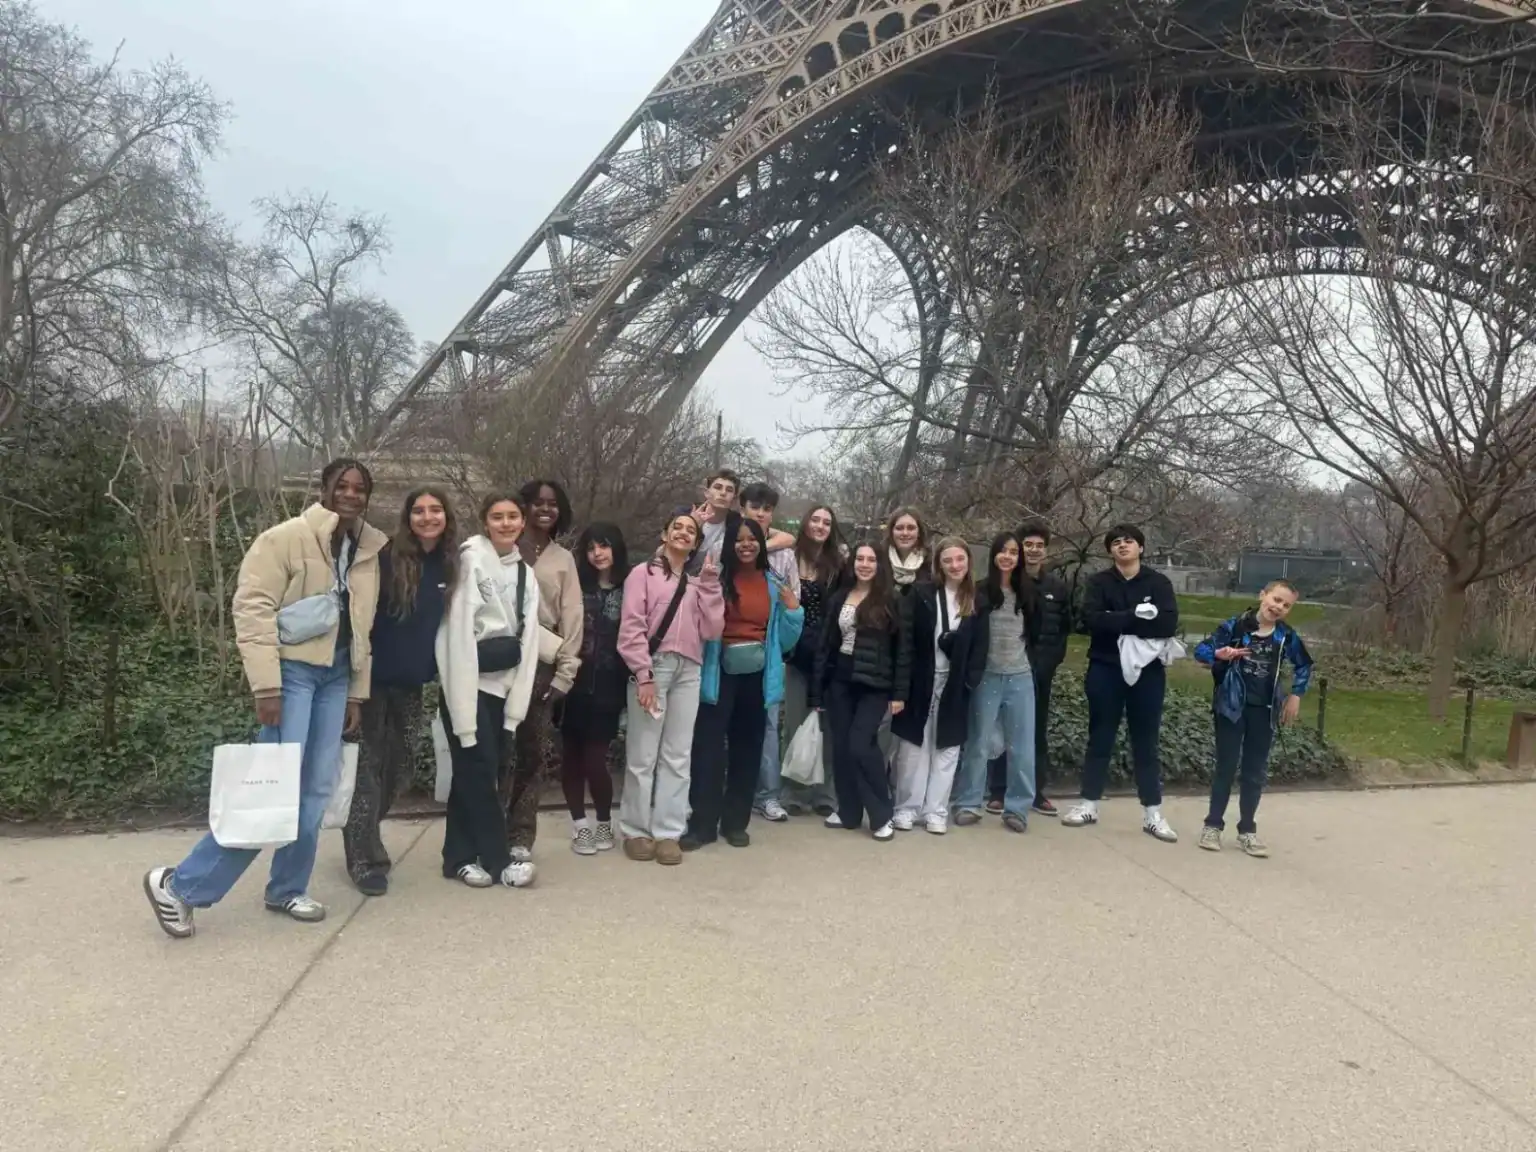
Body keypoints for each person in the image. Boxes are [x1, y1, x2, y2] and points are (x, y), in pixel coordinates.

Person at [144, 460, 386, 937]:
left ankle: (287, 888)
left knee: (316, 792)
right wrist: (266, 685)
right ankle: (180, 886)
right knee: (274, 791)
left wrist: (357, 691)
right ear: (324, 489)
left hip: (336, 677)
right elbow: (252, 609)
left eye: (360, 488)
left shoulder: (368, 550)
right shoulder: (286, 537)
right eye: (343, 486)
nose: (352, 494)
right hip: (292, 674)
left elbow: (364, 627)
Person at [344, 486, 458, 896]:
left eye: (436, 510)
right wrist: (352, 682)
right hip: (373, 680)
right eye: (419, 511)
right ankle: (364, 858)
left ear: (447, 516)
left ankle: (364, 832)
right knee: (369, 770)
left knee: (402, 766)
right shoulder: (388, 558)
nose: (428, 517)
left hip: (413, 682)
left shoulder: (450, 564)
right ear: (408, 518)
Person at [435, 493, 543, 888]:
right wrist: (459, 678)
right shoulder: (470, 559)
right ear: (485, 521)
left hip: (502, 684)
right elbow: (457, 627)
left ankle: (458, 857)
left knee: (478, 770)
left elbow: (528, 633)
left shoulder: (524, 573)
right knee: (478, 771)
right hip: (467, 681)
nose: (506, 523)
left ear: (522, 522)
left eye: (513, 516)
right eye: (497, 517)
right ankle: (498, 860)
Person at [686, 514, 803, 850]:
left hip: (757, 674)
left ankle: (736, 822)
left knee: (747, 749)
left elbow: (785, 639)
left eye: (753, 538)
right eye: (740, 539)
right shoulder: (715, 578)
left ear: (761, 543)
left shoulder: (773, 582)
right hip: (717, 670)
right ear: (729, 544)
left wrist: (794, 611)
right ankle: (702, 824)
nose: (747, 544)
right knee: (708, 749)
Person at [616, 511, 725, 865]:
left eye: (690, 530)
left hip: (688, 671)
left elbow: (712, 630)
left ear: (696, 543)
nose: (682, 533)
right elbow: (631, 626)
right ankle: (635, 829)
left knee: (678, 755)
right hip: (655, 668)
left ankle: (668, 832)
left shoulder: (698, 584)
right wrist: (643, 675)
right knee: (643, 755)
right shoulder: (642, 575)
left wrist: (710, 586)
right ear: (664, 534)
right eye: (676, 527)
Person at [1061, 523, 1181, 842]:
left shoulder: (1158, 582)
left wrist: (1120, 619)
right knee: (1100, 736)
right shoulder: (1098, 582)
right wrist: (1137, 616)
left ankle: (1152, 813)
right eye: (1116, 542)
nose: (1122, 545)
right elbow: (1092, 621)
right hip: (1105, 667)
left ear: (1141, 547)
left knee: (1146, 740)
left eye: (1129, 541)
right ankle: (1088, 804)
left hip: (1148, 671)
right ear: (1110, 550)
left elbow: (1168, 622)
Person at [1194, 580, 1314, 857]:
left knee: (1255, 772)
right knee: (1226, 766)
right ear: (1263, 595)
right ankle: (1212, 826)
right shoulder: (1234, 627)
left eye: (1286, 605)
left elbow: (1304, 664)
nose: (1279, 607)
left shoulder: (1286, 636)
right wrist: (1218, 654)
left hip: (1264, 711)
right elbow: (1201, 650)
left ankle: (1247, 830)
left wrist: (1295, 695)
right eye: (1276, 599)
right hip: (1231, 707)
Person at [503, 479, 583, 864]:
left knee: (531, 753)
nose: (545, 509)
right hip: (496, 662)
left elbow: (573, 620)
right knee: (495, 751)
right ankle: (487, 829)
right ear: (524, 507)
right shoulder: (499, 546)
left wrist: (565, 675)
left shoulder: (563, 559)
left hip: (541, 665)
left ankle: (520, 836)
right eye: (537, 503)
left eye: (553, 504)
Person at [812, 541, 911, 841]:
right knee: (841, 748)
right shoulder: (840, 596)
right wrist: (817, 691)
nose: (864, 564)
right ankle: (849, 812)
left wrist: (899, 692)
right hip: (840, 680)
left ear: (879, 565)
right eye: (859, 558)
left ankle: (882, 814)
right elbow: (825, 646)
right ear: (852, 562)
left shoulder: (891, 599)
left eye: (871, 559)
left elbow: (904, 650)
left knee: (860, 744)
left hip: (875, 685)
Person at [891, 536, 987, 834]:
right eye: (948, 560)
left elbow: (981, 647)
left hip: (954, 683)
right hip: (922, 679)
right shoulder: (921, 594)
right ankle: (906, 808)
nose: (955, 565)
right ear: (939, 564)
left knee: (947, 749)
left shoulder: (976, 599)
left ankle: (936, 810)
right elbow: (906, 640)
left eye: (960, 559)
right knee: (912, 748)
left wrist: (969, 682)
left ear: (968, 561)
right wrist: (902, 686)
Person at [951, 532, 1041, 833]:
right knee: (978, 743)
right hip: (986, 676)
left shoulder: (1028, 592)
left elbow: (1038, 634)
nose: (1008, 556)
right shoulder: (979, 592)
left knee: (1022, 747)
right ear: (993, 556)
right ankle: (967, 802)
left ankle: (1017, 808)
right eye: (1003, 551)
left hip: (1020, 677)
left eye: (1014, 552)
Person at [987, 521, 1069, 818]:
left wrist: (1051, 662)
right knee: (1000, 729)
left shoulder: (1057, 588)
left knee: (1035, 731)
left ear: (1046, 550)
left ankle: (1035, 791)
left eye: (1039, 546)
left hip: (1040, 671)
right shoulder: (1010, 584)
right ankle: (998, 791)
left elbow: (1063, 630)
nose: (1033, 550)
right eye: (1028, 545)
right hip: (1006, 666)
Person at [562, 522, 630, 856]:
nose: (597, 553)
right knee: (571, 758)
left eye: (603, 546)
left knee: (594, 759)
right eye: (591, 547)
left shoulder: (631, 585)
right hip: (571, 682)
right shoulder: (576, 584)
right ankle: (580, 826)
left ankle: (604, 820)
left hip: (609, 685)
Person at [738, 481, 802, 824]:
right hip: (730, 648)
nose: (761, 513)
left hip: (769, 648)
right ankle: (732, 792)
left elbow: (794, 602)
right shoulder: (728, 546)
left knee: (766, 725)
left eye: (767, 509)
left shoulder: (785, 554)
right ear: (742, 508)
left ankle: (768, 796)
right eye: (754, 507)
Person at [778, 504, 845, 816]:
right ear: (805, 524)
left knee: (828, 726)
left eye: (826, 522)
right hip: (795, 652)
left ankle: (825, 793)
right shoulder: (789, 556)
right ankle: (793, 791)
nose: (820, 526)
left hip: (829, 653)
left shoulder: (839, 564)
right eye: (815, 520)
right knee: (794, 722)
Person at [884, 507, 931, 592]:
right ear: (891, 532)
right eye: (899, 528)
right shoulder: (879, 560)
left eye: (911, 528)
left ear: (919, 532)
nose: (905, 533)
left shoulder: (931, 563)